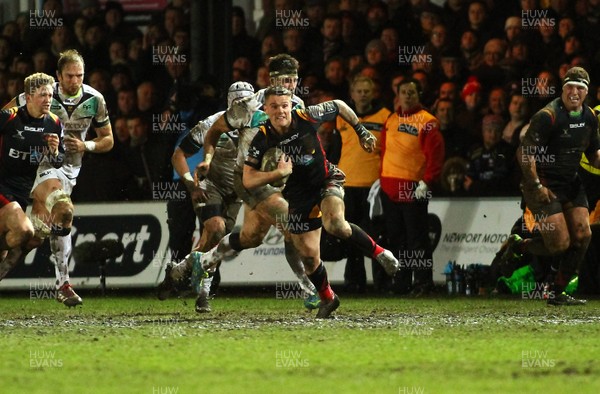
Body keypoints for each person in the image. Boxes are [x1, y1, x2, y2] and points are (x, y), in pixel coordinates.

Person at [202, 86, 399, 319]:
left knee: (335, 224)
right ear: (266, 109)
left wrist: (361, 130)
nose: (280, 111)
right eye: (274, 106)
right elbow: (248, 178)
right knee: (308, 256)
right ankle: (328, 299)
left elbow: (338, 105)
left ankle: (380, 253)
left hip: (325, 181)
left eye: (284, 105)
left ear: (291, 106)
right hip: (297, 197)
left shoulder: (306, 115)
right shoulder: (262, 138)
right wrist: (277, 174)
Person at [158, 55, 321, 312]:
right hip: (223, 184)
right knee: (218, 227)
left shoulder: (290, 106)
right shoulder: (229, 115)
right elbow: (181, 153)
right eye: (235, 103)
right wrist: (193, 180)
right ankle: (309, 289)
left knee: (250, 237)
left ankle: (183, 269)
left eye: (293, 80)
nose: (240, 107)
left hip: (253, 186)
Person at [4, 49, 114, 306]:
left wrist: (87, 147)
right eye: (69, 76)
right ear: (58, 76)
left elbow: (108, 140)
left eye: (79, 75)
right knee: (64, 210)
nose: (75, 81)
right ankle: (63, 284)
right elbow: (6, 116)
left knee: (32, 238)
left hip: (68, 170)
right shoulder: (43, 93)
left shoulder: (94, 99)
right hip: (39, 166)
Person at [504, 67, 600, 305]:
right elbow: (524, 153)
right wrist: (536, 185)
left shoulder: (589, 117)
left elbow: (593, 154)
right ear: (563, 88)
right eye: (570, 86)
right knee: (560, 244)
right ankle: (521, 246)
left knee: (583, 236)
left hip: (570, 182)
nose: (574, 92)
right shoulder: (548, 116)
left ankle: (556, 291)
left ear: (587, 92)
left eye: (580, 88)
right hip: (543, 184)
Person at [380, 78, 445, 296]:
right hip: (389, 190)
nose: (407, 96)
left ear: (419, 95)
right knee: (396, 240)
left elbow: (436, 156)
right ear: (397, 95)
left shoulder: (427, 121)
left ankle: (424, 283)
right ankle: (401, 282)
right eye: (404, 92)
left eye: (412, 92)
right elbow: (383, 151)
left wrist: (427, 182)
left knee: (417, 240)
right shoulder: (391, 119)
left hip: (412, 190)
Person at [0, 73, 63, 283]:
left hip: (21, 191)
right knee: (25, 230)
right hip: (2, 185)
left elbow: (59, 161)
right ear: (28, 97)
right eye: (42, 95)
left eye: (51, 95)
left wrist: (55, 152)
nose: (48, 100)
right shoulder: (9, 117)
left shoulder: (54, 123)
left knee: (6, 249)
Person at [335, 75, 391, 293]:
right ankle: (354, 282)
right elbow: (337, 149)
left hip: (373, 188)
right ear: (352, 93)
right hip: (347, 185)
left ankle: (382, 283)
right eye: (359, 91)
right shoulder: (341, 117)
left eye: (367, 91)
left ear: (373, 92)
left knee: (376, 235)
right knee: (349, 235)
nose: (363, 95)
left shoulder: (386, 116)